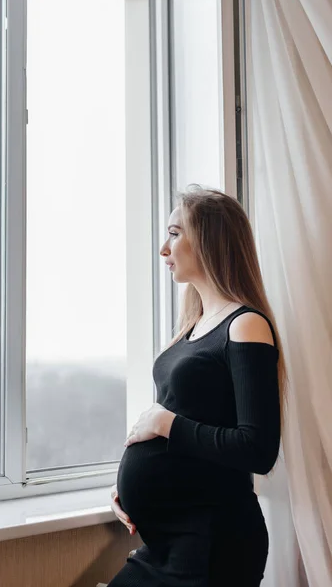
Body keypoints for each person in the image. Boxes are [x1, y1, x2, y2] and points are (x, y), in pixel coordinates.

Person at [107, 186, 286, 587]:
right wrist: (128, 488)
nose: (163, 249)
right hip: (165, 540)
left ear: (208, 240)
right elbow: (179, 423)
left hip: (211, 541)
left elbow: (258, 449)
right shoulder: (191, 327)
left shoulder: (246, 325)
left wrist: (165, 424)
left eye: (174, 233)